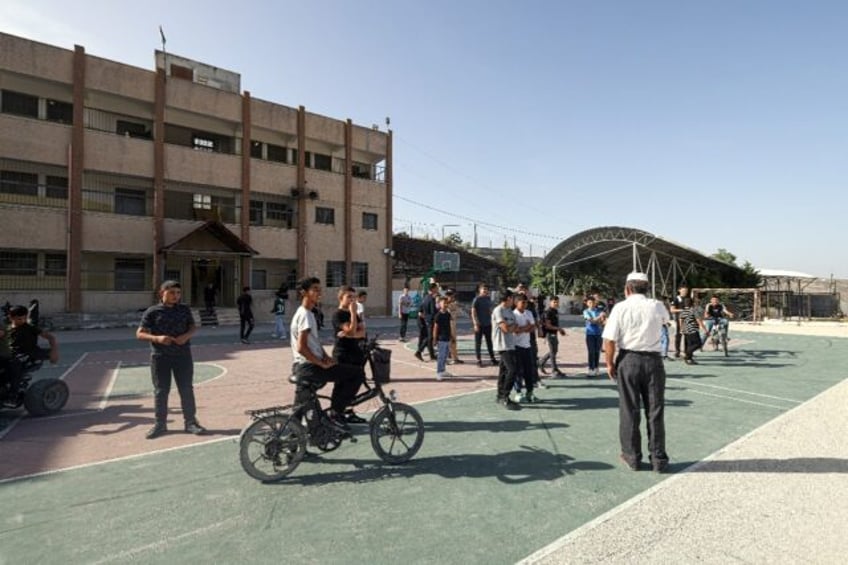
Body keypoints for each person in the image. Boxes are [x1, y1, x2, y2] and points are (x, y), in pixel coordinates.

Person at [602, 272, 670, 473]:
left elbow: (610, 340)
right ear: (646, 288)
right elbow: (666, 322)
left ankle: (632, 457)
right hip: (653, 361)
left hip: (629, 360)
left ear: (627, 289)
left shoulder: (620, 307)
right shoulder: (657, 305)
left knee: (629, 409)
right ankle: (658, 459)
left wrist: (609, 364)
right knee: (655, 410)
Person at [290, 277, 364, 430]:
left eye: (320, 289)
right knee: (357, 374)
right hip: (308, 367)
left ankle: (292, 446)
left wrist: (325, 356)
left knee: (300, 408)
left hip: (303, 366)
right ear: (304, 293)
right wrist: (320, 363)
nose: (319, 293)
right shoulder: (305, 314)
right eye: (315, 289)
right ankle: (336, 414)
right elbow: (301, 348)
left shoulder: (307, 313)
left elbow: (313, 343)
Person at [136, 280, 205, 439]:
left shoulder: (184, 309)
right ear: (162, 293)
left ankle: (190, 422)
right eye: (172, 292)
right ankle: (160, 424)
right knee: (161, 391)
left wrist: (185, 336)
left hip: (183, 356)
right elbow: (139, 333)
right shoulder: (152, 311)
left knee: (186, 389)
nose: (176, 296)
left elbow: (192, 327)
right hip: (160, 357)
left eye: (178, 293)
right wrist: (157, 338)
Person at [1, 304, 60, 393]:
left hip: (25, 354)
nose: (22, 321)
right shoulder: (8, 327)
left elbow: (51, 337)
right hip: (11, 353)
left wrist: (54, 352)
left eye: (24, 318)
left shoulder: (30, 328)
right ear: (10, 317)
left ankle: (13, 394)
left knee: (14, 367)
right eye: (19, 319)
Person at [331, 286, 368, 424]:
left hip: (355, 353)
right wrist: (353, 316)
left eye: (353, 297)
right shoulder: (338, 315)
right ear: (341, 298)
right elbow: (352, 331)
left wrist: (350, 333)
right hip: (343, 354)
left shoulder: (355, 315)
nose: (352, 300)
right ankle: (336, 414)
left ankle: (348, 411)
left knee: (355, 382)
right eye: (349, 297)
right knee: (341, 385)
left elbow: (362, 332)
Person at [492, 289, 520, 410]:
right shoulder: (498, 310)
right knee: (512, 370)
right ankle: (505, 396)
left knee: (503, 371)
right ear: (508, 298)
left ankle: (500, 395)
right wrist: (511, 327)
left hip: (510, 344)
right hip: (501, 344)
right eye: (512, 298)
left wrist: (511, 327)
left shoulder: (510, 311)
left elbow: (516, 327)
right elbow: (505, 329)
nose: (514, 300)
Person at [511, 294, 536, 403]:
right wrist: (526, 327)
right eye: (523, 302)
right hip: (516, 346)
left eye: (526, 302)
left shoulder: (529, 313)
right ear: (516, 303)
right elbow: (515, 330)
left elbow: (533, 327)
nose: (525, 304)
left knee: (529, 371)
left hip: (527, 346)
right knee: (517, 371)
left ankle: (530, 392)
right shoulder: (513, 315)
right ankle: (518, 392)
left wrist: (524, 328)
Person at [538, 296, 567, 378]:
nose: (556, 303)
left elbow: (555, 324)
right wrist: (559, 329)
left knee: (554, 351)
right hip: (549, 334)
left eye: (557, 302)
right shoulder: (548, 312)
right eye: (554, 302)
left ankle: (541, 362)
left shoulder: (555, 311)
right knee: (552, 352)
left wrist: (559, 330)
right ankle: (554, 370)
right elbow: (548, 326)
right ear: (550, 302)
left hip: (554, 333)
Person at [471, 283, 497, 368]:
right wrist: (475, 323)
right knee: (478, 343)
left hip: (488, 324)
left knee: (489, 342)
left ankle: (492, 358)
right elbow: (473, 312)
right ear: (480, 290)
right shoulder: (476, 299)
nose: (485, 291)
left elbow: (490, 310)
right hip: (479, 324)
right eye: (483, 289)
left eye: (486, 289)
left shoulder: (488, 299)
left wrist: (494, 319)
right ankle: (478, 360)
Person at [414, 283, 439, 362]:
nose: (437, 289)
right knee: (429, 337)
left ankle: (432, 355)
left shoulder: (425, 297)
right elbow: (433, 311)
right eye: (436, 288)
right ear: (433, 289)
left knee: (429, 337)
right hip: (430, 320)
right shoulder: (431, 299)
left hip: (425, 320)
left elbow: (420, 308)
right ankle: (419, 351)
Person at [583, 297, 606, 377]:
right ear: (587, 303)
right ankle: (590, 369)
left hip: (599, 334)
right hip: (590, 335)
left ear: (595, 303)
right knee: (591, 352)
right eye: (589, 303)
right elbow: (592, 321)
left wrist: (603, 319)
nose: (591, 304)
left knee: (597, 352)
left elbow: (602, 323)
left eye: (593, 303)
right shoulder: (586, 311)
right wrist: (599, 317)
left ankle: (596, 368)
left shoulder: (599, 311)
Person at [432, 296, 453, 380]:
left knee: (445, 355)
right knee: (441, 355)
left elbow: (449, 326)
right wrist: (434, 339)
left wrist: (451, 336)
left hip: (447, 337)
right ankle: (439, 372)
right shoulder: (438, 315)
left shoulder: (448, 314)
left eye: (446, 303)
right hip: (441, 338)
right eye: (444, 303)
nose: (445, 304)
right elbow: (435, 328)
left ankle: (443, 370)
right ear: (440, 304)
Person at [680, 297, 706, 365]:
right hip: (693, 329)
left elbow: (681, 320)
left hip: (686, 330)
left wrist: (681, 328)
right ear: (692, 303)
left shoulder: (683, 311)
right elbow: (698, 320)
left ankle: (689, 359)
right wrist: (705, 329)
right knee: (698, 344)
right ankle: (687, 354)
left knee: (690, 344)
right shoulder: (693, 310)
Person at [444, 289, 464, 364]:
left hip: (453, 326)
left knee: (453, 342)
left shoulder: (454, 304)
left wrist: (456, 306)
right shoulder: (444, 305)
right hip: (447, 326)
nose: (452, 297)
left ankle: (455, 358)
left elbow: (459, 313)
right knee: (447, 343)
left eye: (452, 296)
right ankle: (446, 359)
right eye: (450, 296)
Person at [669, 284, 690, 358]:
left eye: (686, 291)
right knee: (679, 335)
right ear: (679, 290)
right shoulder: (676, 299)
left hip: (688, 319)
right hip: (679, 319)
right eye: (683, 290)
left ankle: (687, 351)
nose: (685, 292)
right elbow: (672, 310)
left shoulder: (688, 299)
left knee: (688, 336)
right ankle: (677, 351)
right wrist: (682, 310)